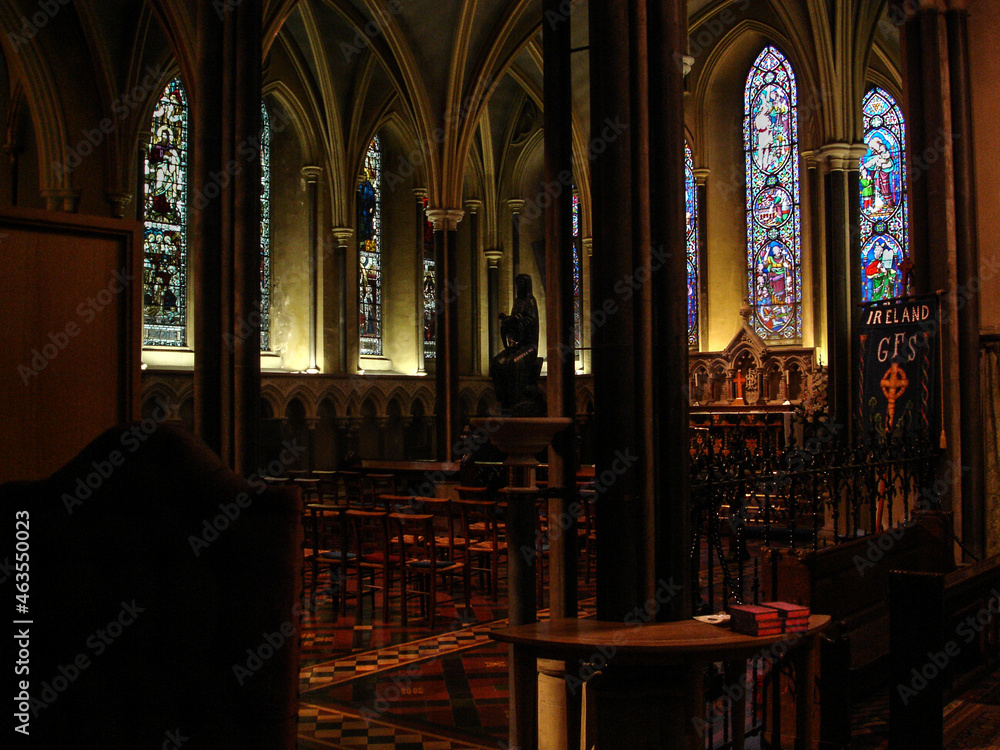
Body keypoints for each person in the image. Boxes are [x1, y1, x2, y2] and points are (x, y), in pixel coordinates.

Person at [489, 274, 545, 415]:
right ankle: (504, 400)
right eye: (517, 283)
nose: (519, 286)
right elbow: (514, 324)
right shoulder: (517, 302)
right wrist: (509, 321)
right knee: (497, 362)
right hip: (517, 345)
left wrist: (517, 321)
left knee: (514, 362)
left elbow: (530, 323)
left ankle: (517, 399)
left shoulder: (531, 301)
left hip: (530, 346)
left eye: (521, 283)